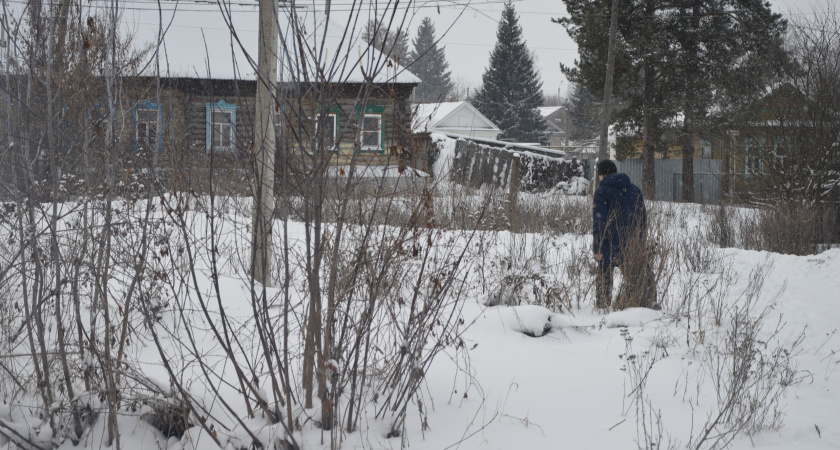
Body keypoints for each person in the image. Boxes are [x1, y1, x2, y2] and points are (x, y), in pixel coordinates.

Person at [592, 159, 658, 310]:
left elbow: (599, 222)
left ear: (601, 175)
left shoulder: (601, 192)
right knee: (640, 273)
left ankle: (602, 308)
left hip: (609, 243)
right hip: (632, 243)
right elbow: (643, 219)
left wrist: (597, 247)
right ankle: (649, 303)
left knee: (604, 273)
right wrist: (640, 242)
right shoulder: (634, 190)